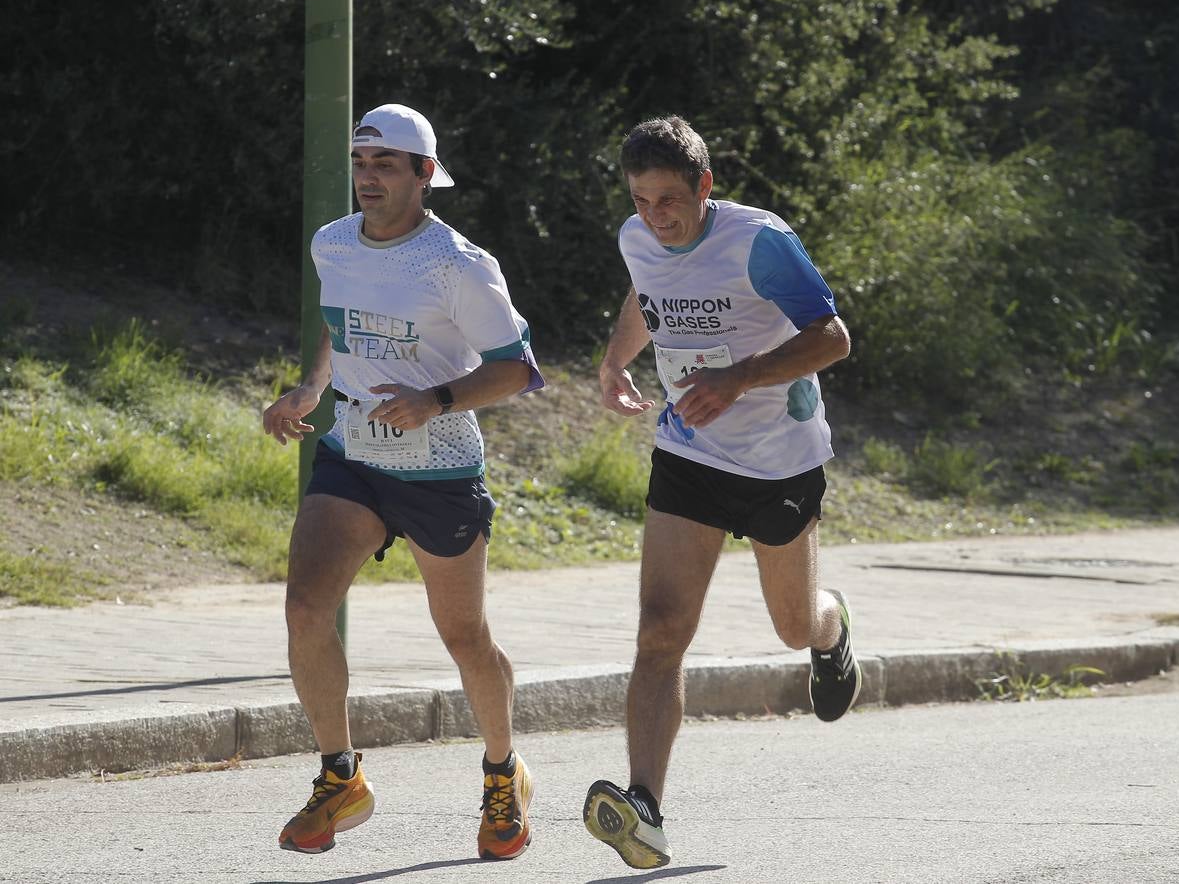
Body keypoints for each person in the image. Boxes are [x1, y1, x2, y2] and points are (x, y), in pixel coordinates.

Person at [261, 103, 545, 859]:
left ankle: (501, 773)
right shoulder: (334, 243)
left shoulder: (459, 265)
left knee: (463, 637)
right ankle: (340, 774)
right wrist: (313, 388)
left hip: (441, 464)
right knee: (304, 606)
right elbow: (340, 319)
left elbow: (516, 369)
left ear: (425, 175)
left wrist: (437, 399)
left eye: (386, 165)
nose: (368, 179)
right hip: (354, 452)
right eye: (360, 164)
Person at [582, 116, 860, 869]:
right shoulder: (638, 237)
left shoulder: (756, 242)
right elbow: (650, 295)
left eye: (669, 199)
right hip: (689, 452)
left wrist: (738, 378)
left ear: (705, 187)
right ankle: (645, 807)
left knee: (792, 625)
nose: (654, 217)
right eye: (640, 200)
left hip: (778, 462)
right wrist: (615, 361)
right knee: (660, 629)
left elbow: (832, 337)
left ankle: (832, 630)